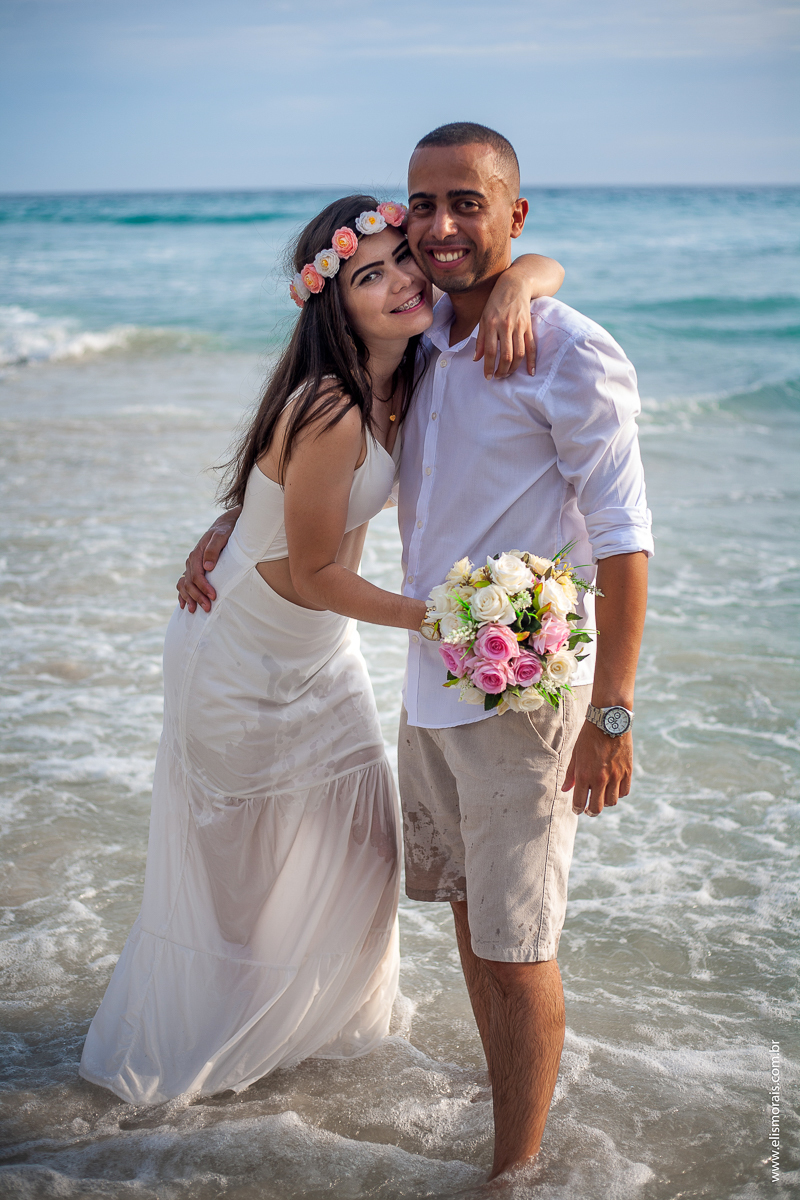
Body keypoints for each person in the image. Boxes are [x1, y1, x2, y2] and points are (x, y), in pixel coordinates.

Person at [182, 125, 654, 1181]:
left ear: (512, 214)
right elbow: (311, 417)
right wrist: (235, 523)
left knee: (517, 941)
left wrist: (612, 713)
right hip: (429, 687)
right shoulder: (427, 328)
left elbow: (625, 541)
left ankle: (513, 1172)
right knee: (466, 916)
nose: (438, 229)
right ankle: (505, 1115)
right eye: (421, 205)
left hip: (521, 695)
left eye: (466, 205)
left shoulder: (565, 349)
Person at [78, 191, 565, 1105]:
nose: (398, 283)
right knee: (246, 882)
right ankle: (220, 1054)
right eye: (366, 274)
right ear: (332, 305)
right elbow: (310, 573)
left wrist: (516, 289)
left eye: (402, 262)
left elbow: (548, 268)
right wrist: (450, 620)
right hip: (244, 658)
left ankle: (310, 1038)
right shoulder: (333, 406)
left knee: (366, 855)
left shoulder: (409, 371)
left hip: (319, 655)